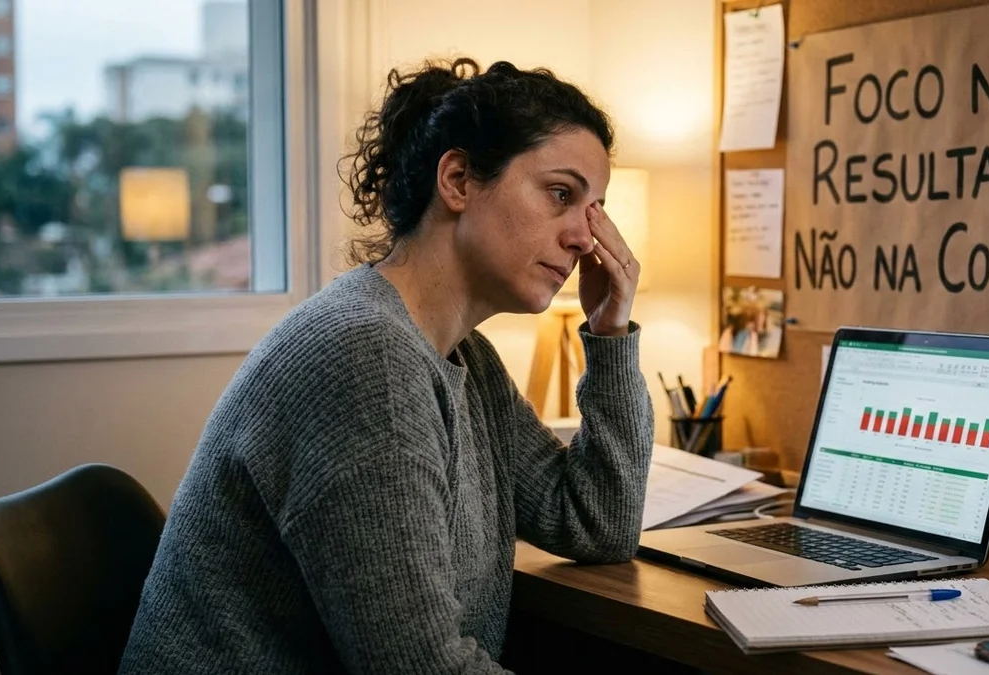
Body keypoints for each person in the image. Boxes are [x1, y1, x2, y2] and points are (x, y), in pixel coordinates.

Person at [119, 57, 654, 674]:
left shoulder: (461, 356)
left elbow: (594, 525)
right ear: (457, 180)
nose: (587, 240)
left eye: (593, 210)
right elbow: (418, 666)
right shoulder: (366, 358)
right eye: (560, 194)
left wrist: (611, 332)